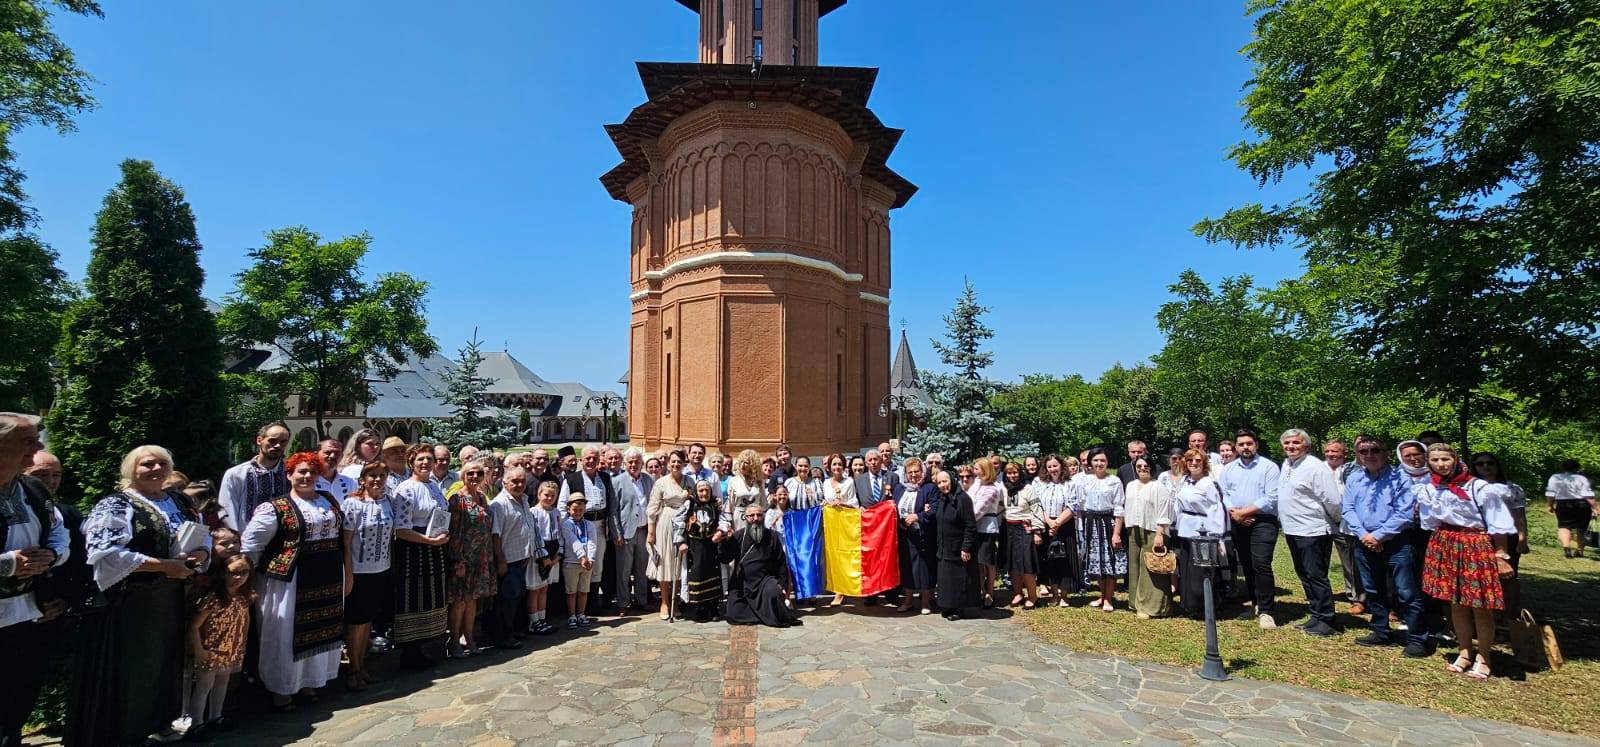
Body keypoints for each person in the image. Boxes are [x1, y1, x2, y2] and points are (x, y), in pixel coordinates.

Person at [75, 444, 209, 746]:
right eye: (147, 464)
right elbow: (106, 555)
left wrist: (200, 554)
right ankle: (125, 734)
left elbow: (202, 536)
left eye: (163, 463)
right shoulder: (116, 504)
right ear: (131, 469)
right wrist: (165, 566)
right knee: (133, 668)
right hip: (130, 602)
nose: (156, 469)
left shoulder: (176, 500)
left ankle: (158, 724)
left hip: (168, 600)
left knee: (163, 664)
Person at [240, 451, 347, 710]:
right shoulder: (275, 507)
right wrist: (247, 578)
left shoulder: (328, 500)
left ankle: (309, 682)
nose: (307, 476)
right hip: (288, 580)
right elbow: (251, 544)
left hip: (327, 575)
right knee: (284, 633)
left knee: (319, 630)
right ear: (289, 475)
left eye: (312, 471)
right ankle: (282, 689)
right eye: (301, 471)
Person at [1417, 443, 1515, 680]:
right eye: (1435, 460)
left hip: (1475, 544)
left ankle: (1484, 655)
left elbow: (1498, 523)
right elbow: (1430, 521)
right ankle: (1464, 650)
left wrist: (1500, 555)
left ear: (1455, 459)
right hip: (1446, 542)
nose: (1441, 464)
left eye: (1445, 459)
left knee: (1480, 605)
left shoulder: (1479, 488)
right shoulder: (1429, 489)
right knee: (1456, 603)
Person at [0, 414, 69, 747]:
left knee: (18, 700)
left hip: (28, 612)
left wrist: (52, 555)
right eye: (29, 441)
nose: (39, 447)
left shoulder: (33, 489)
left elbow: (59, 532)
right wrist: (8, 564)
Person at [1341, 435, 1427, 657]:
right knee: (1373, 589)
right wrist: (1364, 535)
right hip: (1364, 541)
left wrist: (1378, 536)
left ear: (1387, 453)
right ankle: (1380, 631)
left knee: (1406, 591)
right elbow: (1348, 509)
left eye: (1375, 450)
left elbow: (1405, 513)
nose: (1369, 455)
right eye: (1363, 452)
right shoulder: (1355, 478)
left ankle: (1417, 638)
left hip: (1396, 542)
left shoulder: (1401, 478)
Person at [1261, 429, 1344, 636]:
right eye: (1287, 443)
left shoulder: (1315, 467)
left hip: (1313, 529)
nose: (1291, 446)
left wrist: (1334, 520)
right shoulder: (1287, 464)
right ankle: (1315, 614)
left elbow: (1333, 500)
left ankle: (1327, 619)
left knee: (1316, 575)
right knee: (1304, 574)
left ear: (1306, 445)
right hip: (1292, 529)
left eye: (1296, 443)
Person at [389, 445, 450, 668]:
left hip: (435, 548)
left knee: (431, 597)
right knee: (413, 597)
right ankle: (410, 651)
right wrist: (429, 541)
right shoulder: (406, 489)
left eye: (429, 459)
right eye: (420, 459)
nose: (425, 463)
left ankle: (428, 646)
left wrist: (441, 536)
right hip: (413, 550)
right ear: (411, 462)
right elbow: (401, 529)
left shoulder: (434, 487)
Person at [182, 554, 253, 736]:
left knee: (222, 683)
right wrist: (199, 650)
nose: (238, 577)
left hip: (230, 648)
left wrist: (241, 645)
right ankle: (196, 722)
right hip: (210, 649)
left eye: (244, 572)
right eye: (233, 573)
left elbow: (245, 622)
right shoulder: (213, 598)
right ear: (224, 573)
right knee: (204, 686)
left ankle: (216, 716)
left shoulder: (243, 598)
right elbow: (194, 626)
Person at [1219, 429, 1282, 628]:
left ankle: (1266, 611)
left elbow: (1271, 496)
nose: (1245, 447)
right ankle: (1255, 603)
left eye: (1249, 443)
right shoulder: (1229, 469)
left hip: (1262, 521)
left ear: (1256, 445)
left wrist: (1244, 512)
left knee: (1261, 562)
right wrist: (1234, 512)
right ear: (1236, 447)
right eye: (1241, 444)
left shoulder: (1269, 467)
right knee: (1246, 563)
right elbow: (1223, 492)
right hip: (1237, 519)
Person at [340, 461, 393, 689]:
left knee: (367, 620)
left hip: (380, 568)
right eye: (373, 475)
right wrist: (349, 574)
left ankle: (361, 665)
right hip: (359, 571)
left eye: (382, 475)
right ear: (363, 478)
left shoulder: (387, 502)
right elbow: (346, 541)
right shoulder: (353, 504)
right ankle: (353, 668)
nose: (377, 480)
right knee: (356, 621)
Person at [557, 447, 621, 620]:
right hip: (578, 524)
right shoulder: (571, 479)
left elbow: (612, 505)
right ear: (581, 460)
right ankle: (573, 606)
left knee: (596, 562)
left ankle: (592, 601)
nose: (591, 461)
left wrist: (613, 529)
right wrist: (566, 528)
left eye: (594, 458)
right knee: (577, 562)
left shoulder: (605, 477)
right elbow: (563, 505)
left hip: (599, 525)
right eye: (587, 458)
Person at [444, 457, 496, 657]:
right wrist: (457, 560)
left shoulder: (482, 498)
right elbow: (454, 532)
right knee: (460, 602)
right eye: (470, 473)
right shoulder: (457, 499)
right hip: (463, 559)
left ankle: (470, 638)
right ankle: (454, 642)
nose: (475, 477)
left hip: (481, 557)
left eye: (479, 473)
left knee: (472, 600)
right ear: (463, 476)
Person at [722, 504, 801, 628]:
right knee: (733, 613)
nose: (755, 518)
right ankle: (762, 615)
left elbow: (781, 562)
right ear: (745, 518)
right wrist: (725, 542)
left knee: (774, 593)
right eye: (751, 515)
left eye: (759, 515)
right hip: (743, 582)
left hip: (765, 580)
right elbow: (725, 558)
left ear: (763, 517)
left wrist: (783, 584)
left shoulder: (772, 536)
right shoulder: (738, 536)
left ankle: (764, 614)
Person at [1172, 449, 1227, 619]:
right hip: (1185, 528)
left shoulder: (1208, 483)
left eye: (1197, 460)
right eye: (1190, 461)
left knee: (1201, 570)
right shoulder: (1185, 481)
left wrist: (1216, 535)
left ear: (1203, 463)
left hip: (1203, 529)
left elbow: (1216, 509)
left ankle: (1205, 605)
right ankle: (1188, 604)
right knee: (1187, 568)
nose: (1193, 463)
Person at [1471, 452, 1529, 611]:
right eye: (1480, 464)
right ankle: (1489, 613)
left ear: (1497, 465)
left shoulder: (1512, 488)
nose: (1485, 467)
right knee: (1481, 577)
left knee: (1508, 576)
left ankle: (1510, 615)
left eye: (1490, 463)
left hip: (1507, 537)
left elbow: (1519, 516)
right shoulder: (1469, 488)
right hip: (1477, 537)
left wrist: (1522, 539)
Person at [489, 465, 535, 649]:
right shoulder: (499, 504)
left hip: (522, 558)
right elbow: (495, 534)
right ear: (504, 482)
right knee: (506, 600)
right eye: (514, 481)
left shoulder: (523, 499)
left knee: (516, 598)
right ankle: (503, 636)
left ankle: (512, 630)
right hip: (507, 561)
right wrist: (501, 560)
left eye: (522, 481)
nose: (519, 484)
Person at [1124, 454, 1174, 619]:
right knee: (1135, 567)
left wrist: (1160, 533)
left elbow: (1164, 511)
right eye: (1139, 466)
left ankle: (1152, 607)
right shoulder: (1131, 485)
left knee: (1152, 569)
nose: (1142, 469)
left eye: (1146, 466)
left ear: (1151, 468)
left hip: (1153, 530)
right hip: (1134, 529)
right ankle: (1136, 602)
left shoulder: (1158, 487)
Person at [1076, 448, 1126, 612]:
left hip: (1108, 523)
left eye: (1102, 461)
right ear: (1090, 462)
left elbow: (1119, 508)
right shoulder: (1085, 481)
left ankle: (1108, 599)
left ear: (1107, 462)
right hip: (1090, 523)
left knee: (1109, 562)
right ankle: (1101, 595)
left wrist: (1116, 533)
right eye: (1096, 460)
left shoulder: (1114, 481)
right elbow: (1081, 506)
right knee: (1096, 562)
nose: (1099, 464)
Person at [218, 421, 290, 531]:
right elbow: (227, 509)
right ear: (259, 440)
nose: (277, 445)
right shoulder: (236, 474)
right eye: (272, 440)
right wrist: (235, 539)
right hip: (247, 540)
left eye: (283, 442)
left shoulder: (291, 474)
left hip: (283, 541)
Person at [1323, 439, 1368, 616]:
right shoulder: (1319, 468)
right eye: (1327, 451)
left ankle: (1358, 598)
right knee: (1321, 560)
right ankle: (1324, 594)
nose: (1331, 454)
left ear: (1344, 453)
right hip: (1323, 520)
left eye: (1335, 451)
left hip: (1346, 521)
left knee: (1350, 562)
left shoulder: (1352, 469)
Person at [647, 451, 692, 620]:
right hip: (666, 523)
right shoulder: (661, 483)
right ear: (668, 464)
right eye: (673, 462)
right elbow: (652, 508)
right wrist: (651, 532)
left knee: (680, 563)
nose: (675, 465)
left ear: (684, 463)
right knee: (665, 562)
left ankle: (676, 601)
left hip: (684, 524)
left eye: (679, 461)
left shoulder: (689, 481)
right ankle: (664, 601)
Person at [674, 481, 725, 622]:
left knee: (712, 573)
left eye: (707, 491)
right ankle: (697, 609)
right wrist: (681, 542)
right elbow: (678, 521)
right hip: (694, 545)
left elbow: (724, 518)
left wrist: (721, 531)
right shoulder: (689, 504)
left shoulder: (715, 504)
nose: (704, 493)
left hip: (711, 544)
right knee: (696, 574)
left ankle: (713, 608)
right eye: (701, 490)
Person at [1033, 455, 1080, 606]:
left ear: (1062, 466)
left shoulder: (1070, 483)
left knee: (1066, 560)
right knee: (1050, 560)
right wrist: (1050, 523)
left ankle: (1064, 595)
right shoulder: (1039, 483)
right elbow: (1036, 505)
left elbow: (1073, 505)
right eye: (1050, 466)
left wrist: (1057, 523)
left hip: (1065, 524)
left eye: (1055, 466)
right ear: (1045, 468)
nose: (1053, 469)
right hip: (1046, 523)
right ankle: (1053, 595)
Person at [613, 447, 654, 616]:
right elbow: (613, 511)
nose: (633, 464)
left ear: (642, 464)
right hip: (626, 532)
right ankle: (623, 602)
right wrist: (616, 533)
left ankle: (641, 600)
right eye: (630, 461)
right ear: (625, 463)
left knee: (641, 568)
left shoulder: (648, 480)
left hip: (644, 531)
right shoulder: (617, 481)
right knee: (623, 570)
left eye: (637, 462)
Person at [933, 470, 978, 620]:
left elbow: (970, 526)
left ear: (951, 480)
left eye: (945, 481)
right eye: (939, 482)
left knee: (959, 579)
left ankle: (959, 609)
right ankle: (948, 606)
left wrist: (966, 547)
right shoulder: (942, 498)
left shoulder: (963, 499)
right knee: (947, 579)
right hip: (944, 546)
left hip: (958, 547)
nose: (942, 485)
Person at [895, 458, 937, 614]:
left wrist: (918, 516)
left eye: (916, 471)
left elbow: (934, 509)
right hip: (904, 535)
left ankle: (925, 602)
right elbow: (893, 507)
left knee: (924, 568)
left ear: (923, 472)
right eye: (910, 472)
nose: (913, 475)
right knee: (907, 568)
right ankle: (908, 600)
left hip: (923, 535)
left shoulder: (929, 488)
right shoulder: (899, 489)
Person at [1000, 462, 1045, 610]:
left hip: (1024, 528)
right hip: (1008, 529)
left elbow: (1037, 509)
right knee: (1012, 565)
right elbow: (999, 508)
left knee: (1027, 565)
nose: (1012, 476)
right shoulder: (1002, 489)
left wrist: (1037, 531)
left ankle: (1032, 596)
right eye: (1009, 473)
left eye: (1015, 473)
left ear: (1020, 473)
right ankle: (1018, 593)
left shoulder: (1028, 488)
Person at [524, 481, 563, 635]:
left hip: (553, 552)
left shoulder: (556, 512)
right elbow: (535, 535)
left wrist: (558, 555)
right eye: (546, 495)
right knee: (535, 590)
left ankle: (542, 618)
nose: (549, 498)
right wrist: (543, 557)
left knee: (544, 588)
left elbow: (559, 534)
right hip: (539, 554)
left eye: (553, 495)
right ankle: (534, 622)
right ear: (539, 494)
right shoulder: (534, 512)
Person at [965, 458, 1004, 609]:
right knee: (978, 562)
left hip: (986, 528)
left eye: (977, 469)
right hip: (975, 528)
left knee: (987, 562)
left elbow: (978, 510)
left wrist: (964, 519)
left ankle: (990, 592)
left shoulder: (993, 488)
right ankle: (980, 589)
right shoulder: (976, 484)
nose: (974, 472)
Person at [559, 493, 598, 629]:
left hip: (587, 563)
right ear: (569, 509)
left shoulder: (590, 525)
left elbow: (592, 542)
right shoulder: (566, 524)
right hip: (572, 562)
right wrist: (582, 556)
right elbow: (572, 541)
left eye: (581, 510)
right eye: (575, 509)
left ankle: (581, 613)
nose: (577, 512)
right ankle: (572, 615)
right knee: (571, 591)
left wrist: (590, 558)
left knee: (583, 591)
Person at [1546, 458, 1595, 558]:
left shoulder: (1555, 477)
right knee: (1582, 528)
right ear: (1577, 468)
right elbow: (1587, 495)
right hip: (1582, 504)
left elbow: (1551, 493)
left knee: (1564, 526)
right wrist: (1595, 507)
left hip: (1563, 504)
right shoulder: (1581, 478)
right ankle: (1580, 550)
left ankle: (1567, 548)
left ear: (1562, 467)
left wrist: (1550, 505)